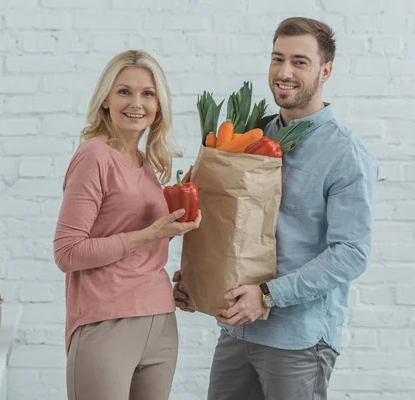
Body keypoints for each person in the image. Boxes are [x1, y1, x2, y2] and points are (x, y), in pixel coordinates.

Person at [173, 17, 378, 400]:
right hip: (236, 331)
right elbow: (226, 222)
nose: (284, 72)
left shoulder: (345, 153)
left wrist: (267, 295)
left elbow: (352, 253)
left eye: (300, 61)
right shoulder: (252, 135)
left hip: (297, 340)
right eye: (277, 58)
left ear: (326, 70)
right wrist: (198, 279)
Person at [53, 50, 201, 400]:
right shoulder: (94, 157)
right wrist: (149, 235)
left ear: (159, 104)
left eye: (147, 94)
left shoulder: (146, 164)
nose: (136, 103)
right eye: (124, 91)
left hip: (160, 322)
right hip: (106, 322)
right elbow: (67, 252)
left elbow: (148, 247)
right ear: (105, 99)